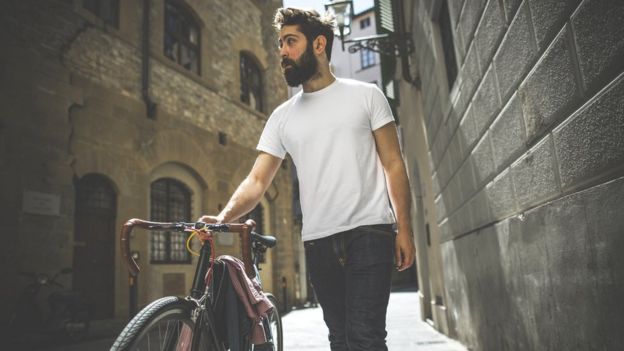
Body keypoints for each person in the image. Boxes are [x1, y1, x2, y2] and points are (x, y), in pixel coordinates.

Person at [199, 7, 415, 351]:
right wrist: (224, 217)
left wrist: (404, 227)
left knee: (365, 337)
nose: (282, 52)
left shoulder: (366, 95)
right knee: (340, 339)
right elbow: (257, 180)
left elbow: (393, 164)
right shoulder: (282, 118)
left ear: (318, 44)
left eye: (290, 41)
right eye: (280, 43)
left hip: (370, 234)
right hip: (318, 243)